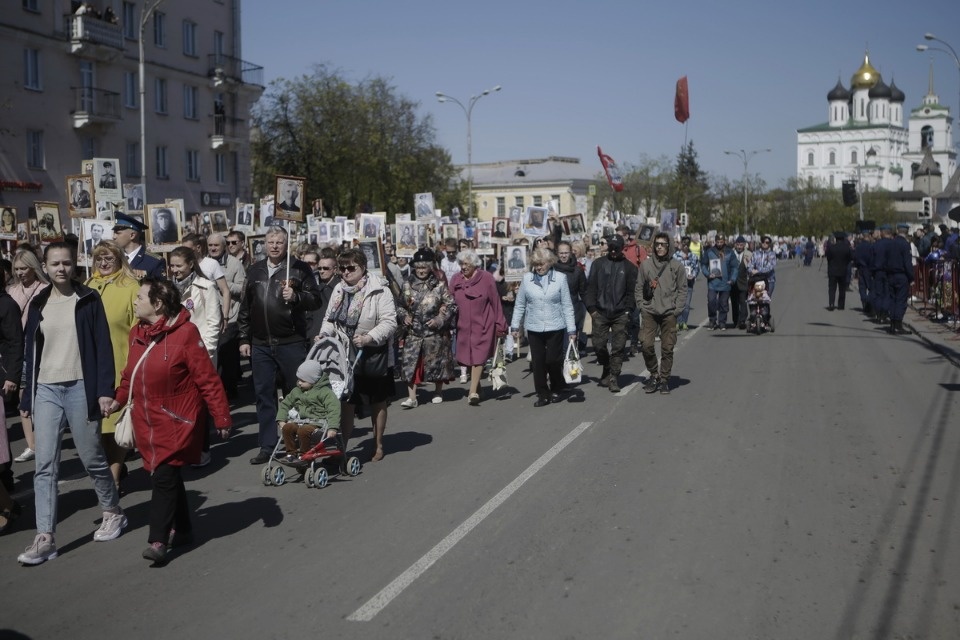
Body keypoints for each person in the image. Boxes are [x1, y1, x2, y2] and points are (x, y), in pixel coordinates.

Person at [108, 278, 231, 565]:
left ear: (158, 304)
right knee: (166, 476)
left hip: (177, 419)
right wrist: (118, 398)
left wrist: (221, 416)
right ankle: (185, 528)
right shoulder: (137, 332)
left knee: (163, 476)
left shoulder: (186, 333)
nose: (135, 301)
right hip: (145, 419)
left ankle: (158, 539)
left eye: (140, 296)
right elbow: (130, 374)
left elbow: (207, 379)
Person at [17, 243, 126, 566]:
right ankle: (45, 536)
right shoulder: (38, 303)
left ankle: (112, 511)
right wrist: (27, 395)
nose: (61, 268)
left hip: (81, 386)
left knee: (91, 456)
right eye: (54, 263)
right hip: (46, 389)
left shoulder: (88, 299)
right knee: (45, 464)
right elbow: (30, 353)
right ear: (45, 267)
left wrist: (105, 390)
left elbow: (102, 346)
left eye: (66, 263)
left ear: (73, 265)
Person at [239, 226, 321, 465]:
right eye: (271, 242)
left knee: (294, 394)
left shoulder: (299, 268)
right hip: (261, 344)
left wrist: (295, 296)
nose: (275, 246)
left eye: (279, 242)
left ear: (287, 245)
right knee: (264, 396)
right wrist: (244, 338)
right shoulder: (254, 271)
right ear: (264, 244)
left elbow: (315, 299)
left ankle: (295, 443)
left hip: (290, 342)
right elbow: (246, 307)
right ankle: (267, 445)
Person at [318, 248, 397, 460]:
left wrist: (369, 337)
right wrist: (324, 335)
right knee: (346, 401)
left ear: (363, 268)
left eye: (350, 268)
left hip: (373, 352)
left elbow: (390, 322)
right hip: (344, 353)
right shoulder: (339, 289)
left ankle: (378, 444)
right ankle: (341, 447)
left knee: (377, 400)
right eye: (342, 268)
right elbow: (329, 319)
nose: (345, 272)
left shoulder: (379, 289)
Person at [85, 241, 139, 492]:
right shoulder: (87, 286)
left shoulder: (130, 287)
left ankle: (114, 477)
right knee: (101, 427)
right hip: (91, 366)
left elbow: (139, 329)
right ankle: (114, 468)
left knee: (116, 423)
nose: (104, 264)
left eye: (109, 258)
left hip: (120, 363)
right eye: (99, 259)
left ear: (119, 260)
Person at [511, 248, 576, 407]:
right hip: (534, 326)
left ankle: (556, 388)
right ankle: (542, 393)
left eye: (542, 264)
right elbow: (520, 305)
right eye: (536, 264)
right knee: (538, 362)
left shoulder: (560, 278)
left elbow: (567, 305)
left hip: (555, 325)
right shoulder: (527, 279)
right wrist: (514, 326)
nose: (539, 267)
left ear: (549, 263)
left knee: (553, 359)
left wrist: (572, 329)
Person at [397, 249, 457, 408]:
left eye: (424, 267)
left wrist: (440, 319)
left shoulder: (440, 285)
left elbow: (452, 306)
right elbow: (399, 306)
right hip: (413, 333)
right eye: (418, 267)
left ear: (431, 267)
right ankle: (412, 397)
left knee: (437, 363)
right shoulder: (407, 285)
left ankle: (438, 391)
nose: (421, 270)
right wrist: (404, 316)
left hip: (434, 333)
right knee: (411, 366)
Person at [450, 249, 506, 405]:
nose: (463, 267)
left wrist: (500, 323)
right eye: (461, 263)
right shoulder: (455, 279)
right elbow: (449, 300)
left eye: (466, 264)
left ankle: (472, 391)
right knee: (467, 359)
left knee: (478, 358)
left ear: (475, 264)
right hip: (463, 326)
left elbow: (495, 301)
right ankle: (479, 388)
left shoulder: (487, 278)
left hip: (483, 323)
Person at [9, 249, 49, 463]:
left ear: (34, 267)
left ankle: (45, 440)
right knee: (23, 396)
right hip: (19, 351)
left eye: (24, 268)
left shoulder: (45, 289)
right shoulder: (12, 290)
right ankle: (31, 444)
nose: (20, 272)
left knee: (41, 396)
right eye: (16, 269)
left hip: (40, 349)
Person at [584, 235, 638, 393]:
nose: (613, 251)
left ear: (622, 249)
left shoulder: (630, 268)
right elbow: (591, 288)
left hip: (620, 313)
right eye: (611, 248)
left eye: (617, 248)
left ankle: (614, 377)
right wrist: (592, 309)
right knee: (598, 345)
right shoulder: (598, 264)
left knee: (618, 347)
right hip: (600, 312)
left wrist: (628, 311)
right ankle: (606, 365)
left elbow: (631, 293)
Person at [637, 233, 687, 395]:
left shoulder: (676, 266)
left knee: (667, 348)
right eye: (657, 244)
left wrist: (677, 309)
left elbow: (682, 289)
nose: (659, 247)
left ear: (669, 246)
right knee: (646, 344)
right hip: (650, 311)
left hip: (668, 313)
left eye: (663, 244)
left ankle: (664, 379)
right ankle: (654, 374)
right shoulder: (645, 265)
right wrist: (641, 306)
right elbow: (638, 287)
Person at [277, 360, 341, 462]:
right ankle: (291, 453)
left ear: (314, 380)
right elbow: (285, 404)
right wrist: (281, 420)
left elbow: (334, 409)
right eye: (298, 379)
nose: (299, 383)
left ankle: (304, 455)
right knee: (287, 428)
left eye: (303, 380)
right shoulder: (297, 391)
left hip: (319, 423)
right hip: (301, 421)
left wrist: (333, 427)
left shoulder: (325, 392)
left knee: (303, 430)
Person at [207, 233, 246, 399]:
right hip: (209, 316)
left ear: (224, 247)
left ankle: (229, 389)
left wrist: (221, 282)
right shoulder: (204, 264)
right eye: (210, 245)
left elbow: (242, 288)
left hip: (229, 316)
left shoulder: (235, 264)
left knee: (227, 356)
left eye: (216, 245)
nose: (213, 248)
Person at [700, 234, 739, 330]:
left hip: (726, 282)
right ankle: (712, 320)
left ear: (724, 241)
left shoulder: (730, 252)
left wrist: (733, 279)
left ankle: (722, 322)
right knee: (711, 301)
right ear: (715, 241)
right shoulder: (709, 252)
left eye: (721, 242)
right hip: (713, 282)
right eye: (717, 242)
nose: (719, 244)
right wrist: (708, 274)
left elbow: (734, 267)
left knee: (723, 303)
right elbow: (704, 264)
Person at [554, 241, 587, 352]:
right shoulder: (551, 270)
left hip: (572, 312)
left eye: (566, 253)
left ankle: (569, 367)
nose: (564, 255)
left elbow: (584, 292)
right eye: (561, 253)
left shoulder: (578, 270)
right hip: (555, 313)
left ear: (570, 253)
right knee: (555, 348)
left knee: (568, 348)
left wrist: (592, 309)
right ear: (557, 253)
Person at [112, 212, 165, 278]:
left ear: (132, 235)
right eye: (114, 233)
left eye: (118, 233)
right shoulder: (113, 258)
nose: (113, 237)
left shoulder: (154, 261)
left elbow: (160, 287)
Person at [883, 224, 914, 334]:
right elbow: (907, 263)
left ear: (897, 230)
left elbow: (885, 260)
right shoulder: (905, 245)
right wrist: (912, 277)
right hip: (902, 276)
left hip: (890, 275)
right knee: (901, 300)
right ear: (906, 232)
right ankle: (898, 324)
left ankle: (892, 324)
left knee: (893, 299)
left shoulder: (890, 243)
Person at [673, 236, 699, 331]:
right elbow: (671, 268)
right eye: (684, 244)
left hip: (689, 283)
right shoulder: (675, 256)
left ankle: (683, 322)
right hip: (677, 284)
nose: (685, 246)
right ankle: (678, 322)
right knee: (678, 304)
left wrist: (693, 275)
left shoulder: (693, 256)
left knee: (687, 305)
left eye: (687, 245)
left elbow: (696, 268)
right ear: (681, 244)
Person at [825, 232, 853, 311]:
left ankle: (831, 303)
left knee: (832, 288)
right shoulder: (847, 248)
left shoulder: (831, 247)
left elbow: (828, 258)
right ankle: (841, 305)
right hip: (843, 270)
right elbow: (850, 258)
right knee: (842, 289)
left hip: (832, 270)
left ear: (836, 239)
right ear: (843, 239)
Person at [730, 236, 752, 329]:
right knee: (734, 302)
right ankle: (736, 320)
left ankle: (742, 320)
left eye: (741, 245)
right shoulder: (731, 253)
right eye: (738, 245)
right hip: (733, 282)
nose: (739, 247)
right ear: (735, 244)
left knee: (743, 301)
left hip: (743, 281)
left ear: (744, 245)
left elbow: (751, 267)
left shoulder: (748, 254)